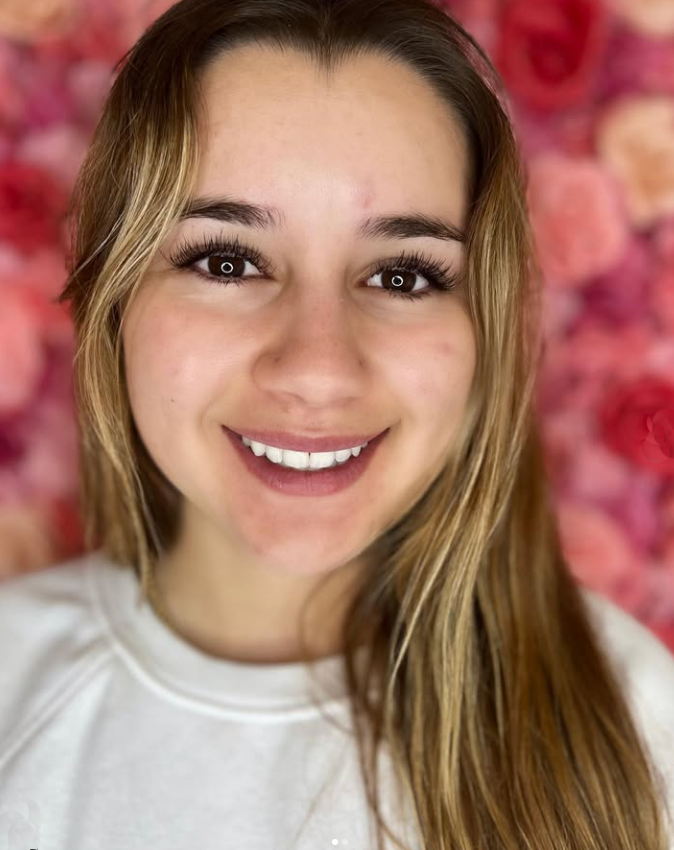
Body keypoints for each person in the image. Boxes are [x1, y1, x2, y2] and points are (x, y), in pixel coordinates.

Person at [1, 0, 673, 848]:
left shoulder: (639, 724)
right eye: (227, 260)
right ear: (113, 300)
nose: (318, 368)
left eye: (401, 275)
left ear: (486, 327)